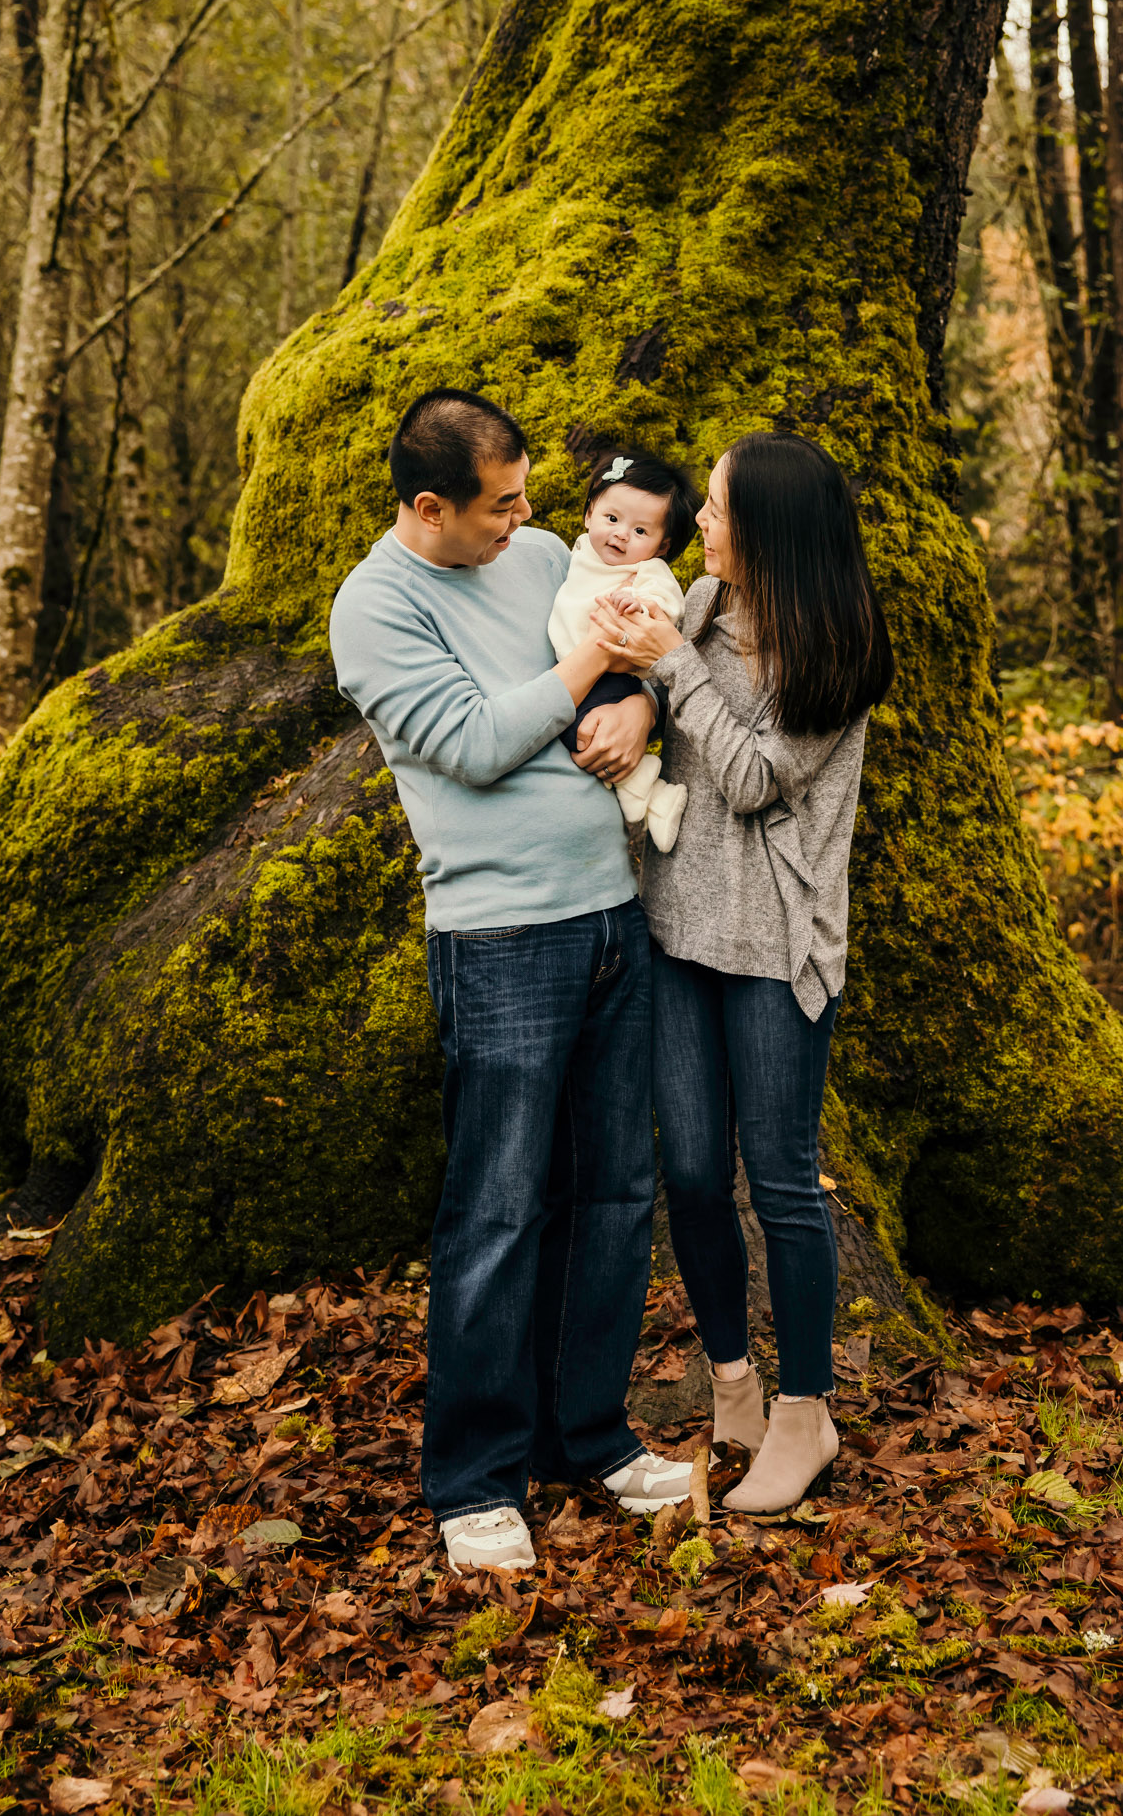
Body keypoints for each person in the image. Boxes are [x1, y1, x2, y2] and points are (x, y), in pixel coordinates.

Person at [328, 388, 694, 1574]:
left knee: (614, 1196)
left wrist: (636, 701)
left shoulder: (541, 553)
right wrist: (595, 654)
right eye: (502, 504)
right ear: (430, 506)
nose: (533, 521)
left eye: (530, 494)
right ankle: (476, 1481)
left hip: (609, 918)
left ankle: (585, 1436)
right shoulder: (374, 608)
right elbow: (480, 741)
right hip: (497, 941)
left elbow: (610, 677)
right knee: (495, 1210)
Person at [592, 432, 894, 1516]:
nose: (696, 525)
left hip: (773, 949)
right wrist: (640, 693)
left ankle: (806, 1412)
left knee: (779, 1179)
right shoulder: (702, 609)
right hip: (675, 930)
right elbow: (654, 709)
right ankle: (732, 1384)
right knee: (688, 1176)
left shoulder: (837, 651)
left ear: (765, 528)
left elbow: (757, 777)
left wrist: (668, 668)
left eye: (713, 509)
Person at [547, 448, 700, 853]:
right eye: (611, 519)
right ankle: (649, 795)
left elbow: (667, 604)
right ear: (589, 514)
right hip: (577, 670)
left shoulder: (645, 572)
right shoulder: (580, 550)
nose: (619, 534)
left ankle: (653, 796)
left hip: (613, 676)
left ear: (662, 545)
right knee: (572, 728)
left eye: (640, 532)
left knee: (583, 731)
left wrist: (640, 604)